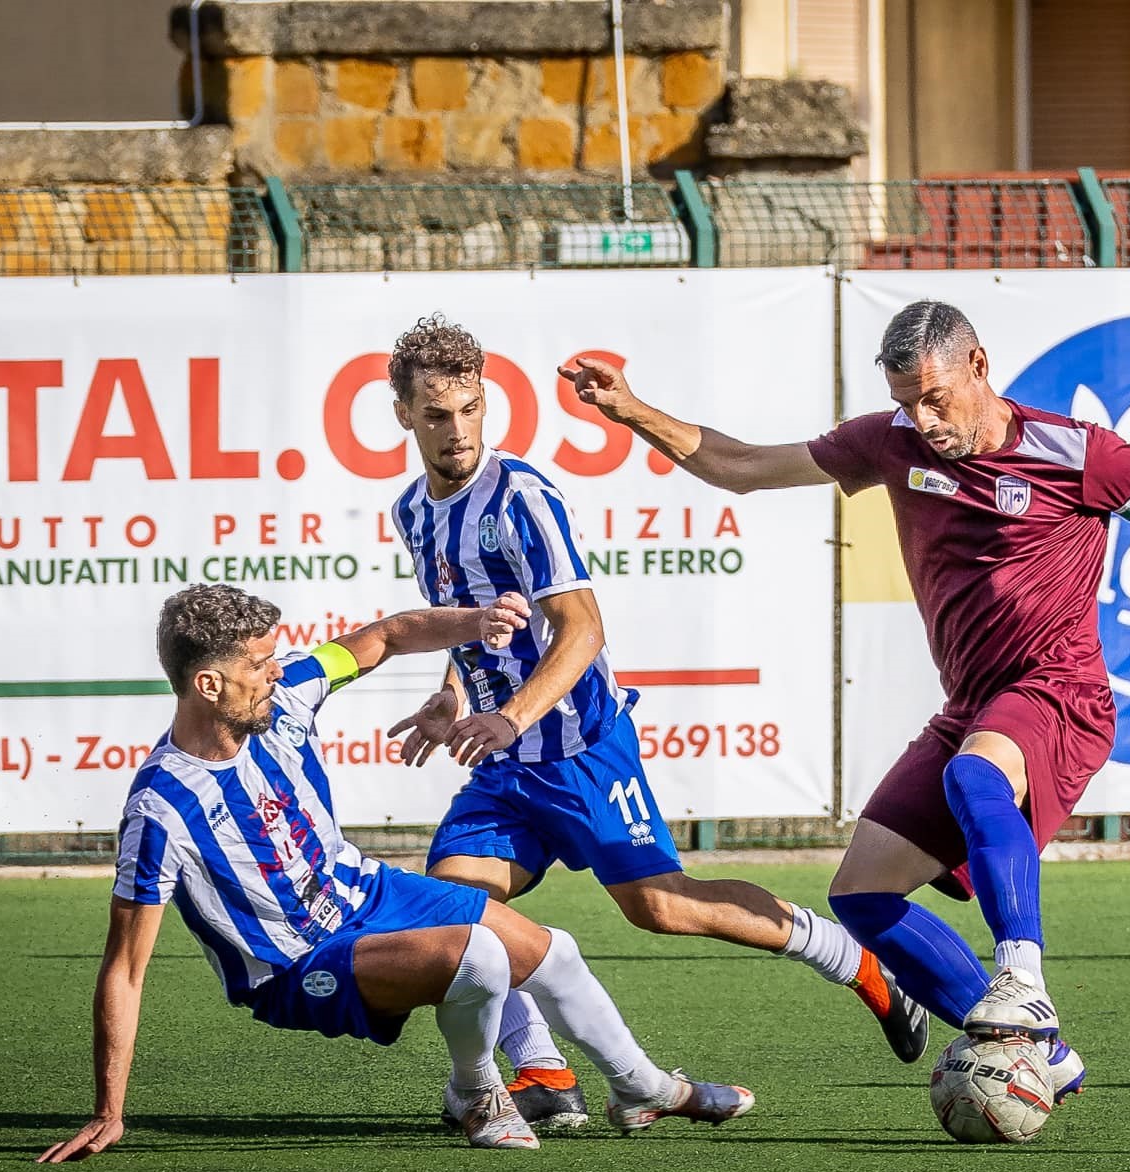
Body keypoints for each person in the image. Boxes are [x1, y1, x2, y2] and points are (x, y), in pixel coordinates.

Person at [560, 299, 1130, 1103]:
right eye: (906, 402)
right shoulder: (888, 441)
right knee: (862, 896)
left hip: (1060, 691)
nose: (923, 420)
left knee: (975, 776)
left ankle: (1022, 977)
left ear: (979, 365)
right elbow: (741, 466)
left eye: (935, 397)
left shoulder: (1081, 452)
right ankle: (1041, 1054)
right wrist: (631, 410)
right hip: (973, 704)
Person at [380, 316, 928, 1130]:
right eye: (435, 414)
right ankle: (543, 1073)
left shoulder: (520, 497)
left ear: (486, 402)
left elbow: (582, 630)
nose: (456, 430)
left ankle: (855, 962)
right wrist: (455, 694)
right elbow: (481, 624)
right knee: (457, 910)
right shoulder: (413, 511)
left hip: (579, 750)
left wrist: (512, 717)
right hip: (504, 761)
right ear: (404, 415)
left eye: (469, 409)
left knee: (662, 907)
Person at [39, 585, 751, 1162]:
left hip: (366, 891)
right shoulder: (161, 809)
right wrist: (109, 1110)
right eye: (260, 664)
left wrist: (476, 623)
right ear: (208, 683)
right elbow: (123, 970)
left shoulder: (289, 696)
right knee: (478, 957)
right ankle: (476, 1094)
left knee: (552, 951)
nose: (278, 671)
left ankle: (644, 1088)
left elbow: (385, 634)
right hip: (295, 965)